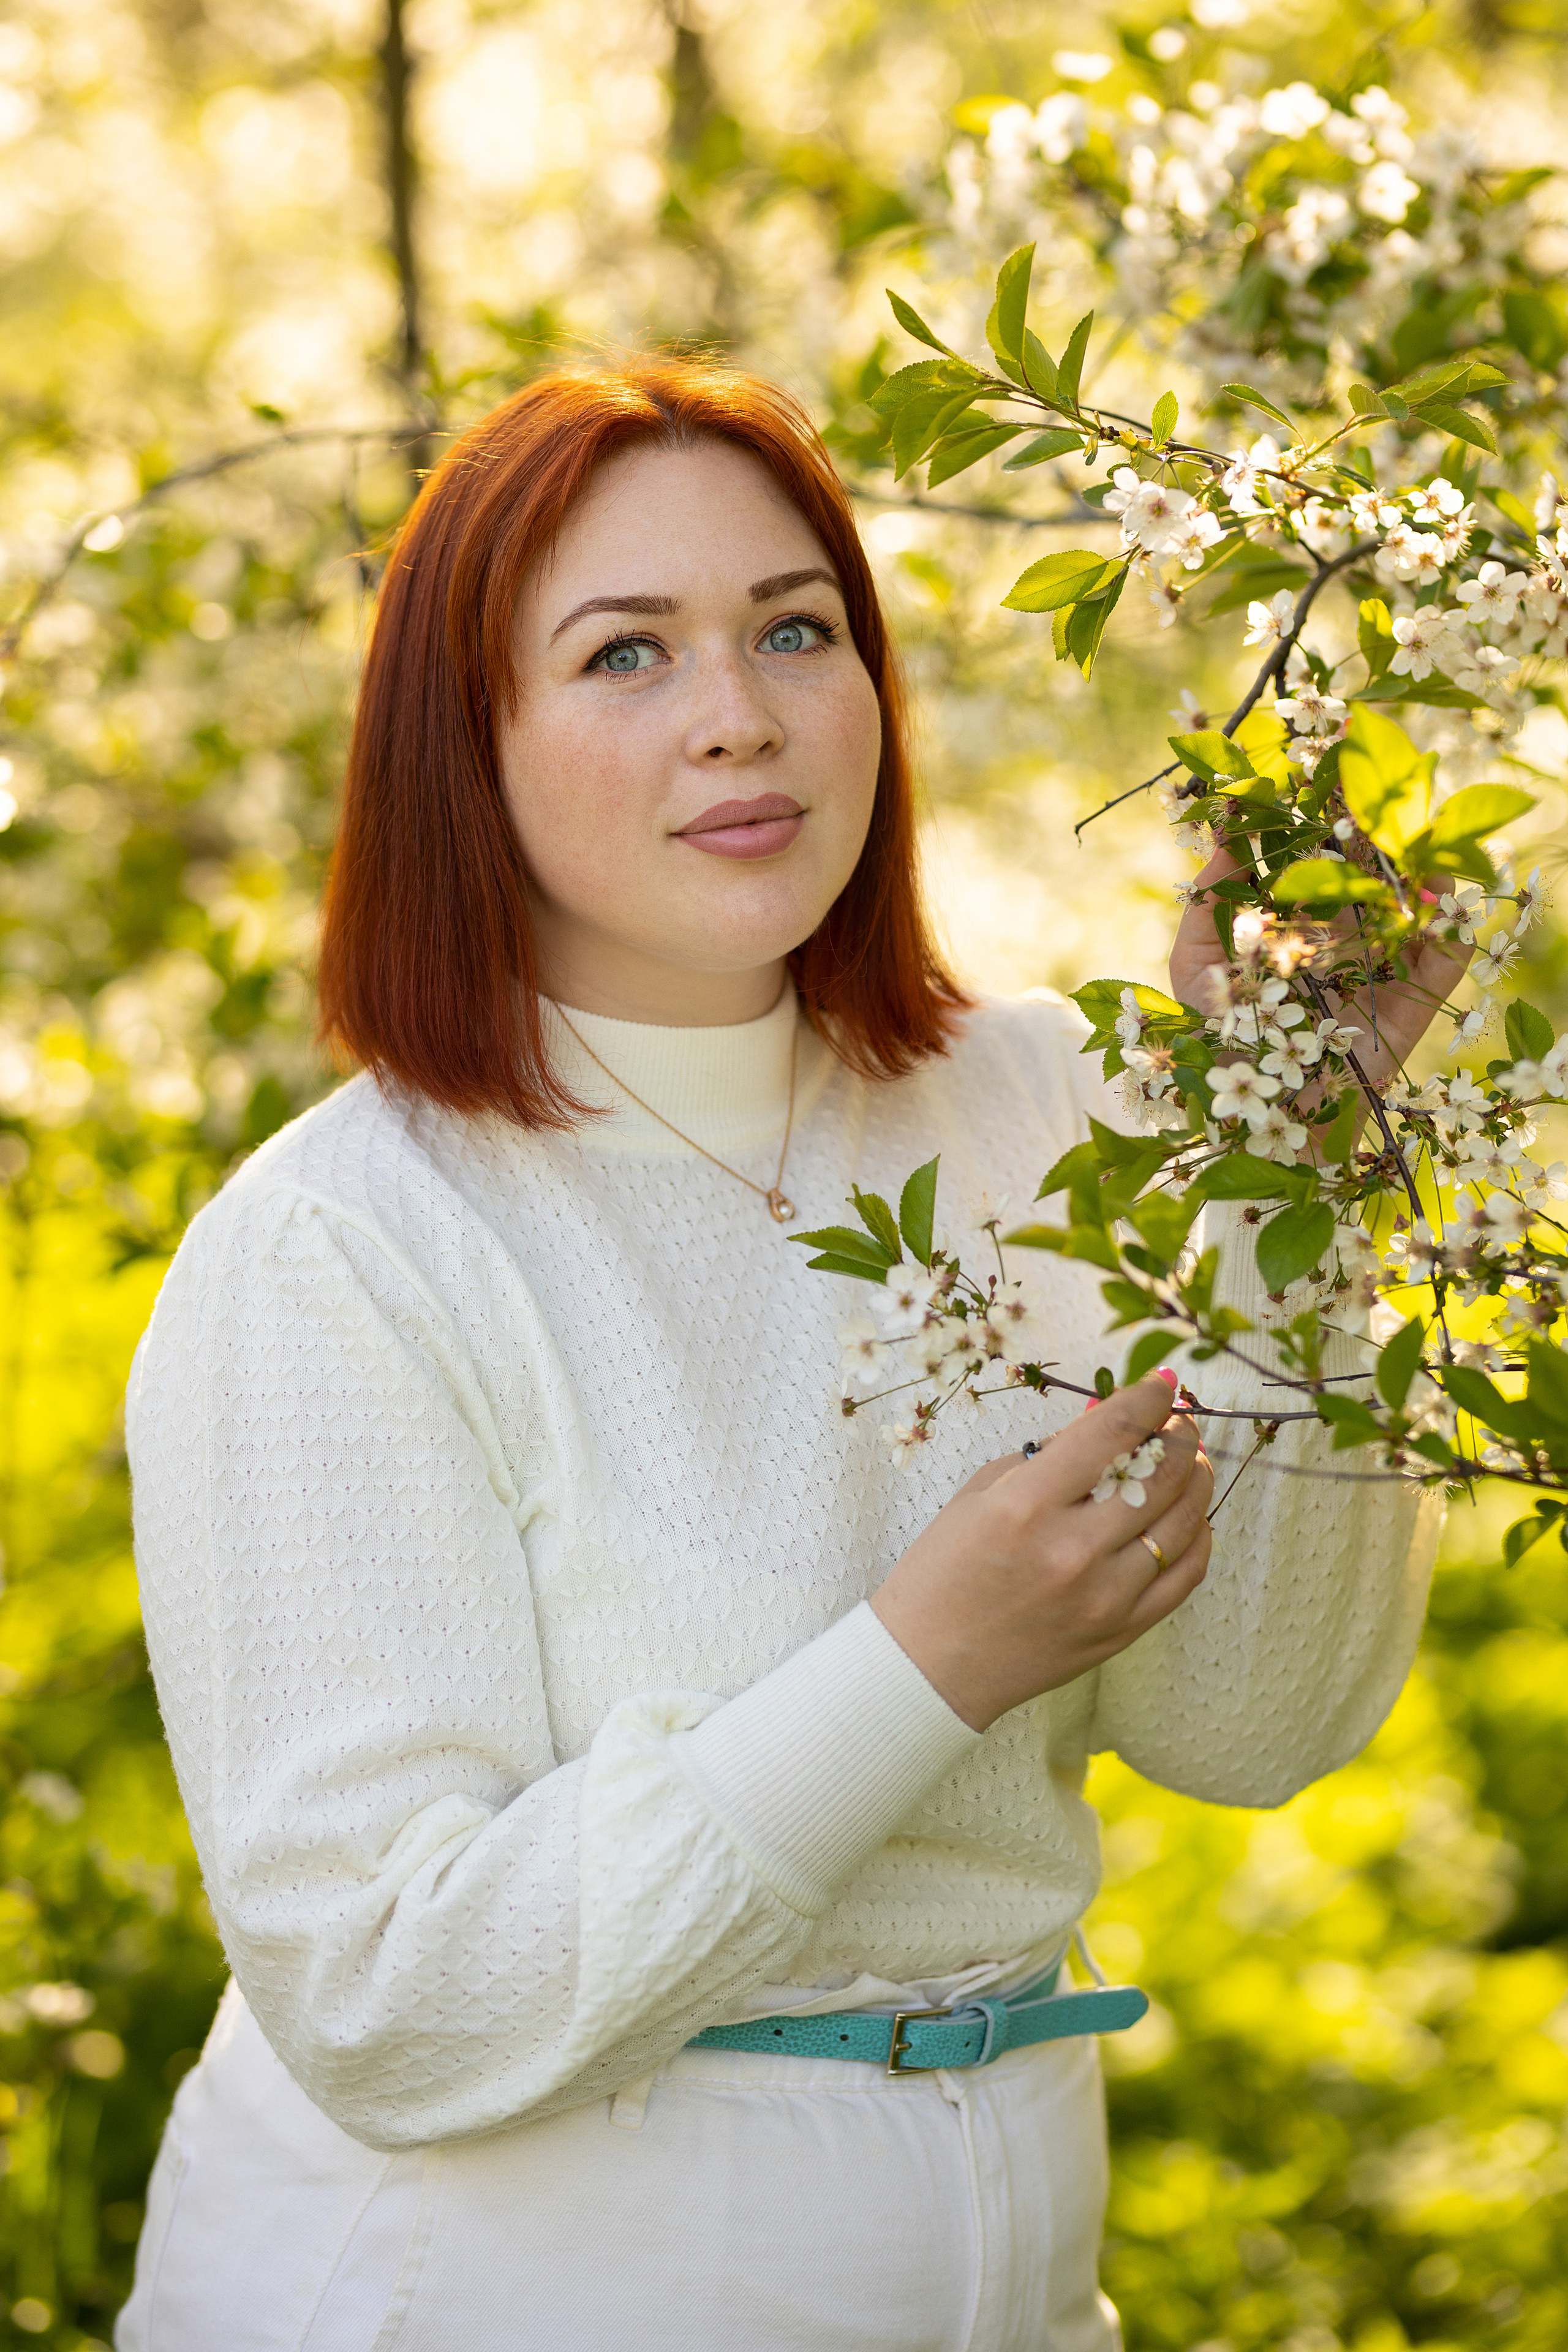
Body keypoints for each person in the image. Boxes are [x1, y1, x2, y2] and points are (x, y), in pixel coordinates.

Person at [116, 358, 1442, 2352]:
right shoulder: (347, 1246)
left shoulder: (1046, 1103)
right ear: (459, 750)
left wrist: (1293, 1172)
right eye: (624, 654)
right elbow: (389, 1994)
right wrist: (923, 1666)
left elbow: (1250, 1724)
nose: (737, 713)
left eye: (793, 629)